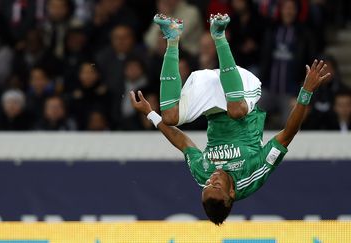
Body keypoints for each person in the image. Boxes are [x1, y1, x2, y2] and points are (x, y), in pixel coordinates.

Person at [130, 13, 330, 225]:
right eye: (216, 186)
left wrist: (150, 113)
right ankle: (219, 36)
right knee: (236, 111)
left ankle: (172, 37)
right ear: (231, 193)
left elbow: (183, 143)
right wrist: (306, 92)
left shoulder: (202, 175)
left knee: (169, 117)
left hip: (211, 95)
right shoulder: (251, 175)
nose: (211, 180)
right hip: (243, 89)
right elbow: (287, 134)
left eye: (207, 186)